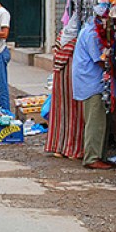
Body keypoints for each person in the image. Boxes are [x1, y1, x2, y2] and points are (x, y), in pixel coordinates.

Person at [72, 5, 113, 169]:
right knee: (95, 121)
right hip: (91, 83)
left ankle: (98, 155)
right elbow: (99, 58)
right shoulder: (92, 34)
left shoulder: (89, 31)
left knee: (99, 121)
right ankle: (92, 158)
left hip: (90, 81)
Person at [45, 12, 85, 159]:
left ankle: (58, 147)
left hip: (59, 82)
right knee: (75, 115)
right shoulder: (76, 41)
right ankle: (73, 149)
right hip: (73, 82)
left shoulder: (61, 37)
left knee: (60, 114)